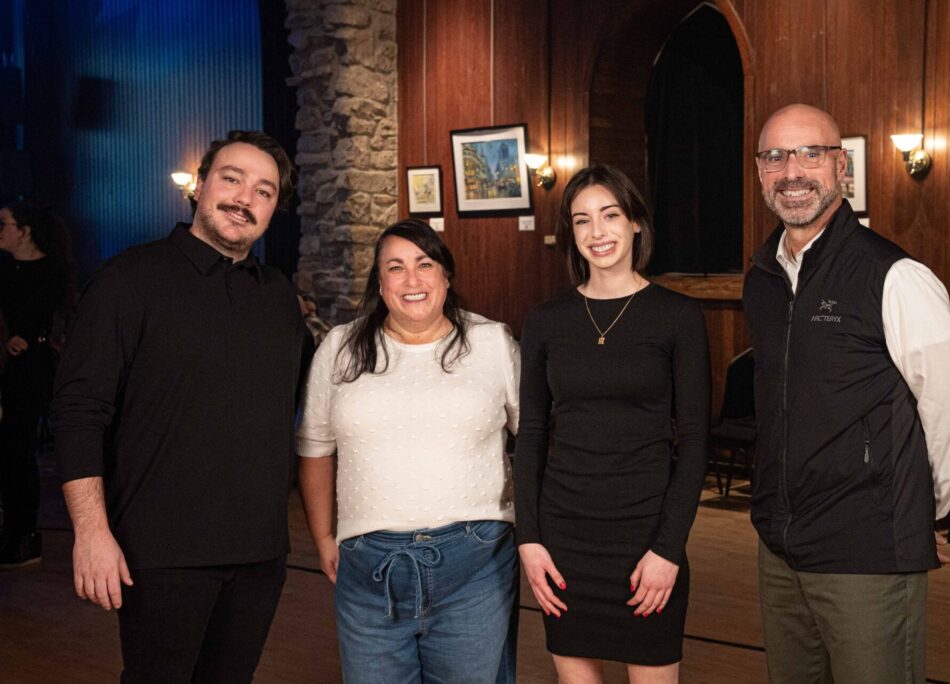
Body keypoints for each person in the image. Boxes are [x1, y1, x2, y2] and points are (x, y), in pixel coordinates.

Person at [51, 130, 305, 683]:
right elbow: (77, 413)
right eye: (231, 179)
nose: (244, 198)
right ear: (200, 185)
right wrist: (91, 534)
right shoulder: (130, 280)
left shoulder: (278, 295)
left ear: (273, 210)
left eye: (263, 191)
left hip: (259, 553)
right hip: (161, 552)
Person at [744, 103, 950, 683]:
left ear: (841, 166)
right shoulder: (762, 276)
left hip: (867, 553)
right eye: (775, 157)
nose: (792, 171)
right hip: (779, 548)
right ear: (759, 173)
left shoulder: (895, 276)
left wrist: (917, 510)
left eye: (810, 153)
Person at [296, 219, 520, 684]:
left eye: (424, 264)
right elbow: (316, 449)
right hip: (367, 568)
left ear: (446, 276)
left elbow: (534, 442)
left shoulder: (492, 343)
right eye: (395, 268)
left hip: (476, 561)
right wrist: (322, 537)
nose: (412, 280)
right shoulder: (339, 349)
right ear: (380, 283)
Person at [515, 164, 710, 683]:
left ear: (636, 223)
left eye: (610, 216)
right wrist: (529, 540)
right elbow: (530, 435)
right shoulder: (546, 320)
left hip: (646, 535)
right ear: (570, 234)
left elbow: (693, 443)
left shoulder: (678, 316)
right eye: (582, 221)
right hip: (564, 541)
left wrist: (668, 549)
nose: (597, 233)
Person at [0, 202, 73, 568]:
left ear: (24, 230)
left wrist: (29, 339)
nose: (0, 229)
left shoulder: (52, 273)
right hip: (12, 365)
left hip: (35, 368)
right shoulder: (6, 269)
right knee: (10, 450)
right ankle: (13, 530)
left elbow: (58, 324)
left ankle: (24, 534)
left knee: (18, 448)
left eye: (4, 223)